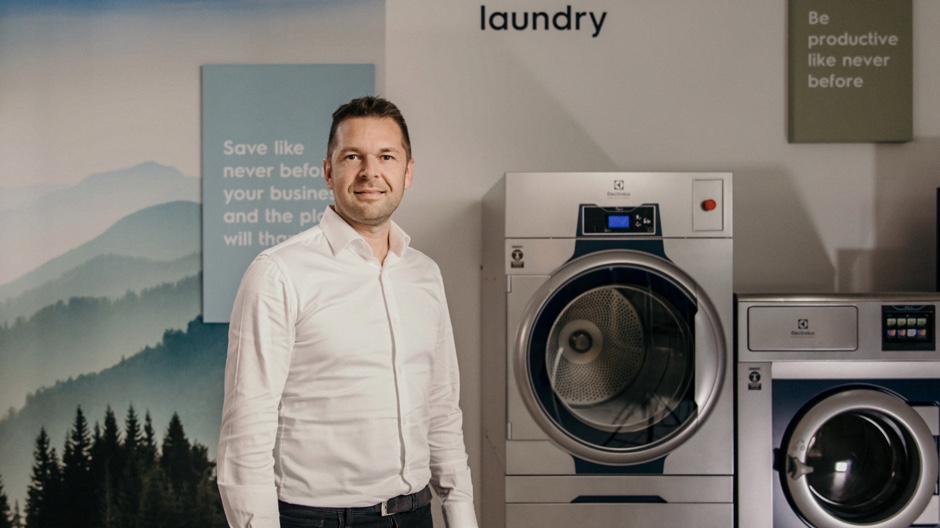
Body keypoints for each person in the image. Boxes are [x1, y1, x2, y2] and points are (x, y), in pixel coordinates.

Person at [217, 96, 478, 528]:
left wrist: (460, 514)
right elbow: (246, 431)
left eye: (386, 157)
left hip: (415, 515)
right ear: (328, 171)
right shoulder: (279, 273)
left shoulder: (425, 275)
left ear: (408, 171)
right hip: (316, 520)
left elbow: (441, 408)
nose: (369, 172)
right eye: (352, 156)